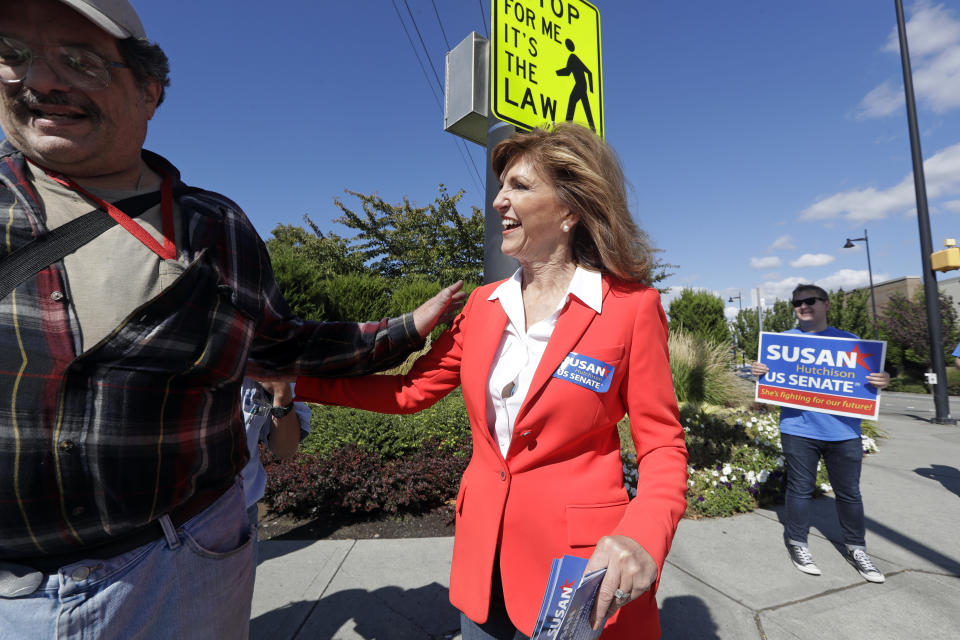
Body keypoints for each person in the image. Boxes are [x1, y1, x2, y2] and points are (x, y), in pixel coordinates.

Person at [0, 1, 462, 638]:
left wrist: (408, 327)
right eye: (14, 54)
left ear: (150, 90)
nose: (42, 80)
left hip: (188, 559)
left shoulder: (214, 227)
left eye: (80, 61)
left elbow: (284, 343)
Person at [295, 123, 689, 639]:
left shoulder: (630, 309)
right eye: (501, 187)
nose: (499, 201)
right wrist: (297, 384)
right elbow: (411, 391)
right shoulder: (482, 306)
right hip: (484, 564)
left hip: (581, 571)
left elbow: (663, 446)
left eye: (520, 187)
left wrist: (643, 536)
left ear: (571, 210)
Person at [751, 284, 890, 584]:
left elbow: (869, 380)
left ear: (826, 304)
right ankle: (798, 543)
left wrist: (883, 378)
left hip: (844, 432)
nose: (803, 306)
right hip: (798, 430)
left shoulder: (851, 342)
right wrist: (759, 374)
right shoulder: (782, 342)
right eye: (797, 302)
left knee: (849, 494)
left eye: (810, 301)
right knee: (800, 490)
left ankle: (857, 548)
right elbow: (768, 388)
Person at [239, 379, 311, 537]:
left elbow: (285, 449)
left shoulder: (262, 361)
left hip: (240, 513)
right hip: (177, 514)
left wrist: (281, 395)